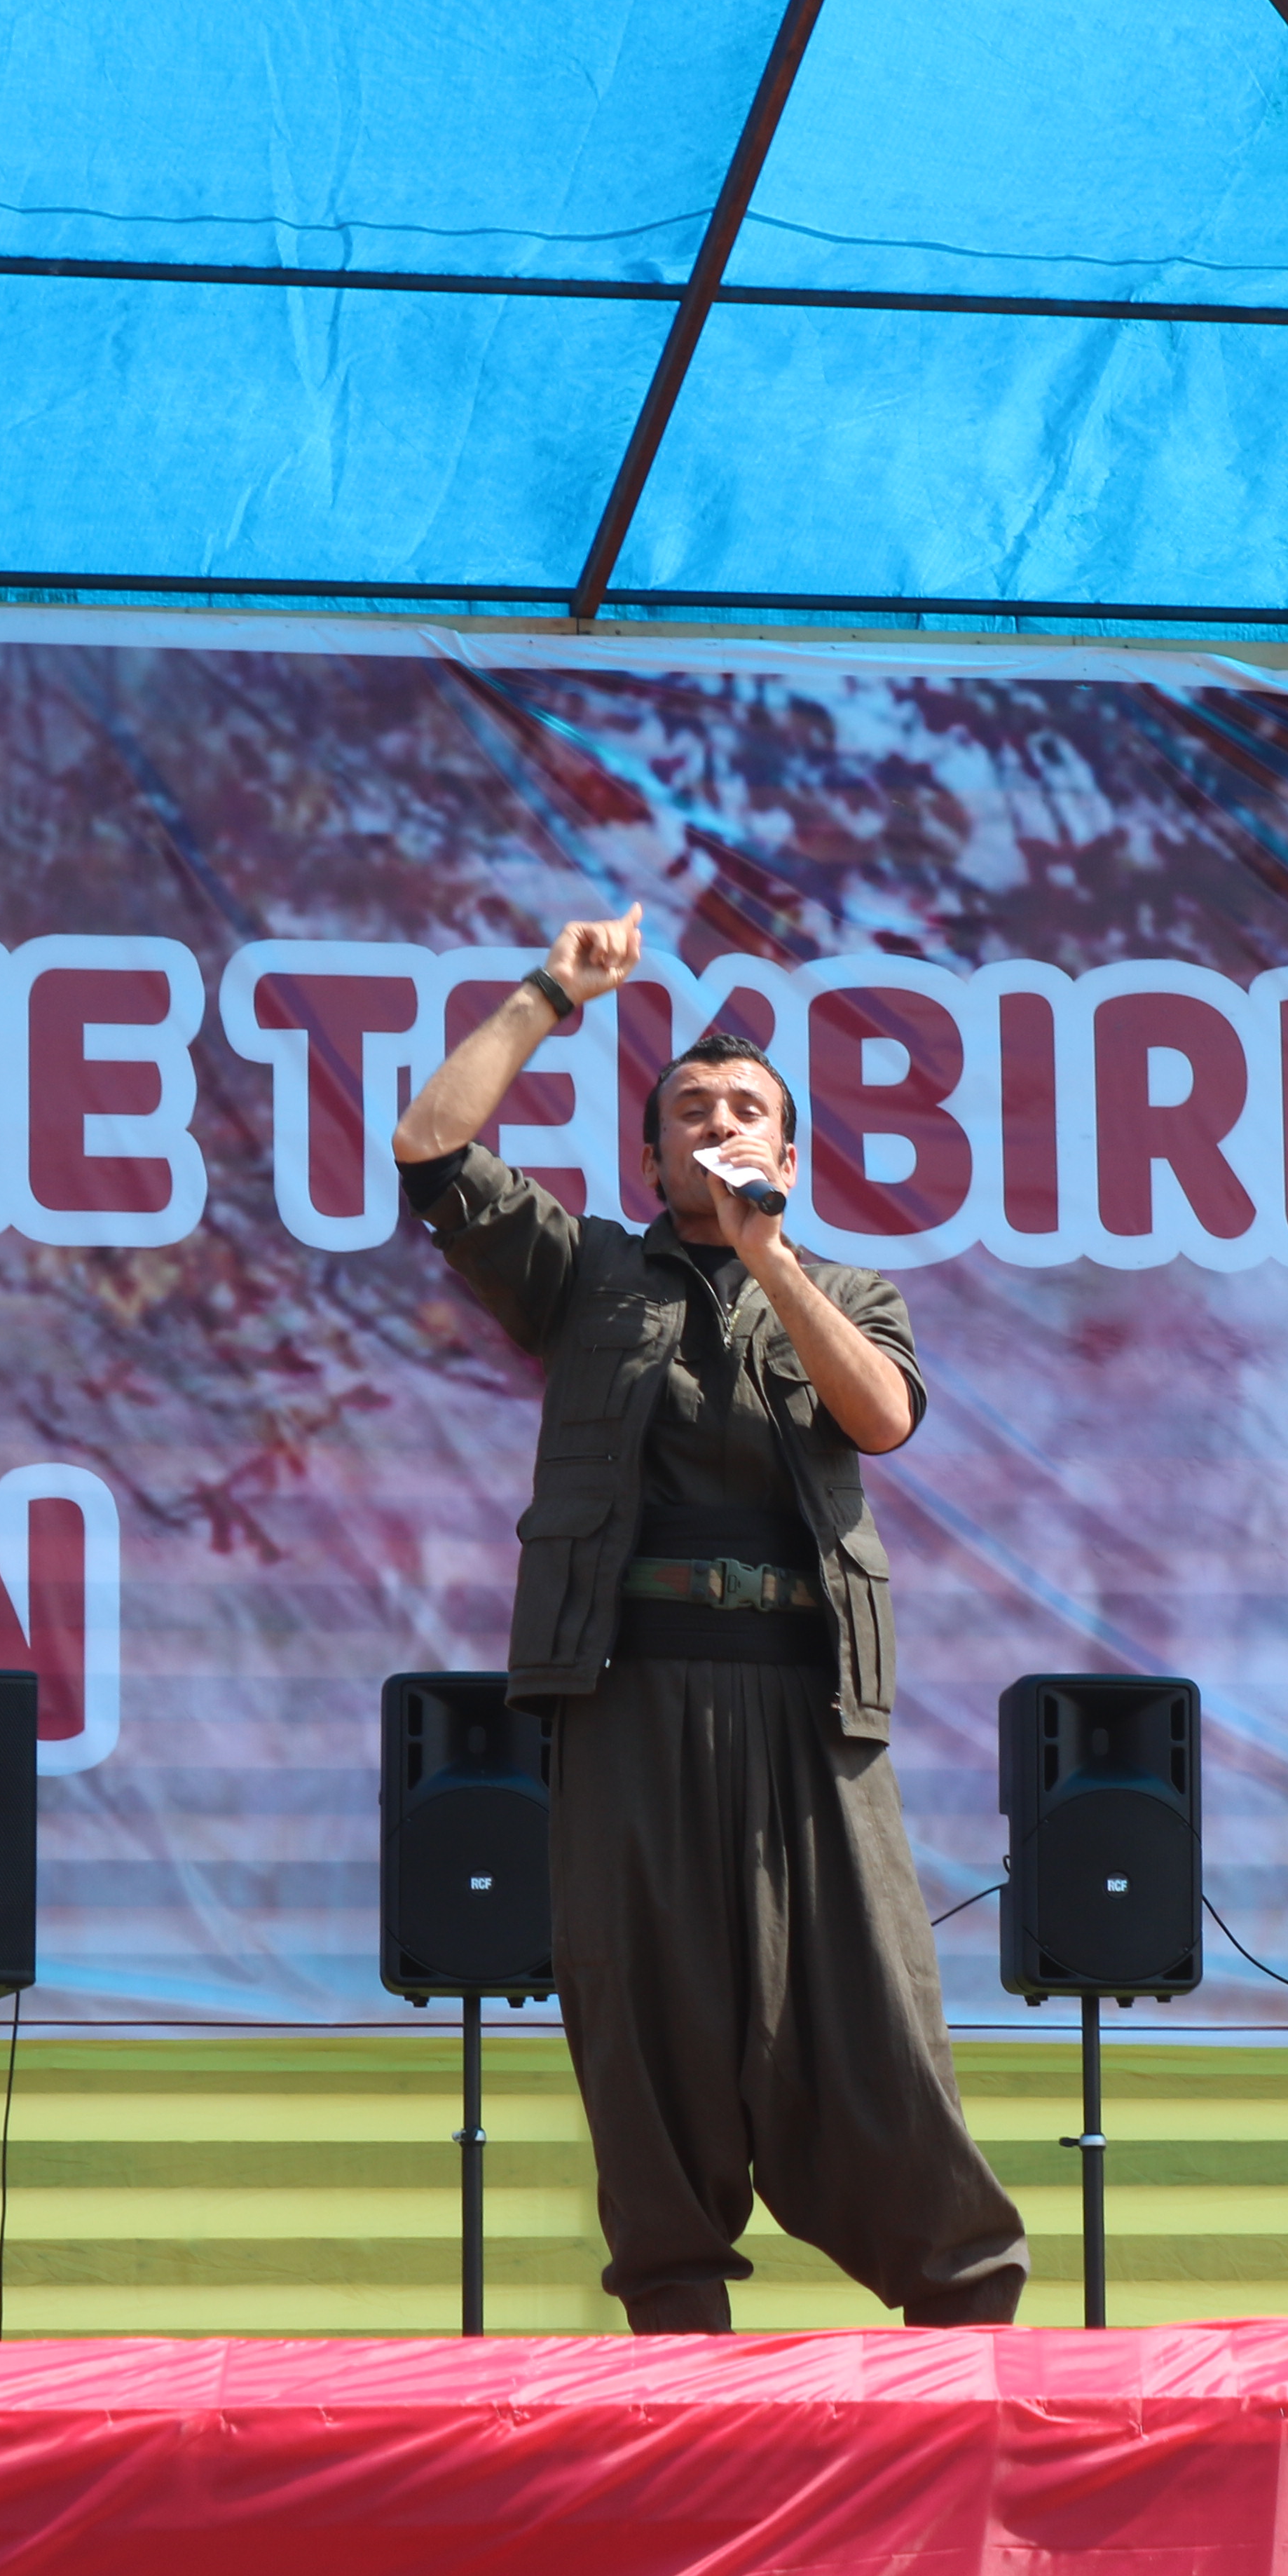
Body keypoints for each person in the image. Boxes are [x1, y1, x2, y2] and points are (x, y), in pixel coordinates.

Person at [388, 904, 1028, 2335]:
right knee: (645, 2010)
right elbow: (429, 1148)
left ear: (785, 1157)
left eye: (748, 1111)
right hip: (629, 1693)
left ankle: (963, 2313)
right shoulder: (587, 1275)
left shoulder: (848, 1289)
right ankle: (677, 2327)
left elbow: (882, 1417)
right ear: (651, 1157)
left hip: (810, 1705)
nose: (719, 1122)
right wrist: (554, 990)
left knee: (868, 2007)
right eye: (692, 1109)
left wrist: (771, 1255)